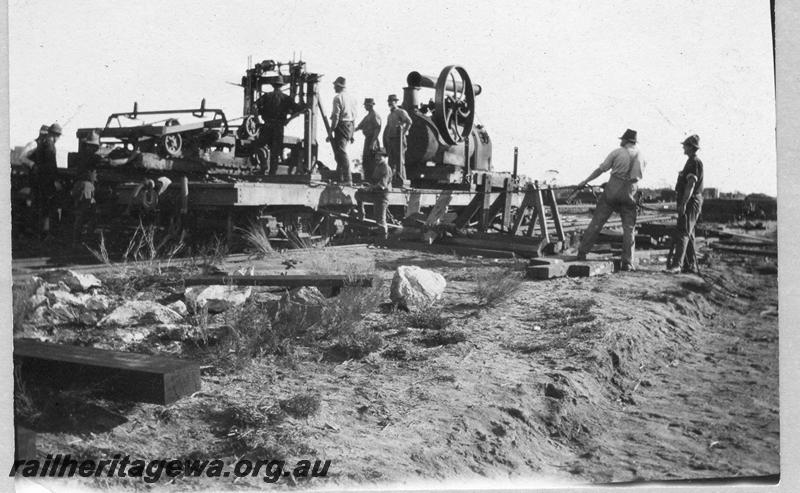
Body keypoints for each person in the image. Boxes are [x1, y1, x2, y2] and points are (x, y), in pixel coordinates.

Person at [575, 128, 645, 271]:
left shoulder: (617, 152)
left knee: (597, 222)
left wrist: (585, 181)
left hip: (612, 190)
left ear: (625, 140)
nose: (620, 142)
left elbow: (601, 169)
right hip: (630, 192)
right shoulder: (641, 156)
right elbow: (637, 177)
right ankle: (627, 262)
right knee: (629, 229)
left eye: (622, 139)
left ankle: (582, 252)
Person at [667, 134, 704, 274]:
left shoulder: (694, 162)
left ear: (691, 147)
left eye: (685, 146)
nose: (683, 148)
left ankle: (677, 265)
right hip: (691, 200)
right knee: (689, 233)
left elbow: (691, 185)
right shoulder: (691, 161)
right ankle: (690, 265)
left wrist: (684, 203)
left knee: (683, 232)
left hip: (691, 201)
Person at [254, 75, 305, 175]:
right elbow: (299, 110)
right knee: (275, 151)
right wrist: (288, 120)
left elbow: (254, 106)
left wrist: (257, 120)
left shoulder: (267, 96)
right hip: (279, 127)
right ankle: (272, 173)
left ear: (273, 85)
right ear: (281, 86)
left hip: (267, 125)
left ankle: (264, 165)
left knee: (258, 145)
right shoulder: (286, 98)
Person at [32, 123, 63, 239]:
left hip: (40, 179)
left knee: (43, 207)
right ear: (56, 135)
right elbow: (51, 165)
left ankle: (42, 234)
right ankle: (47, 234)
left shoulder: (42, 143)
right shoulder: (50, 145)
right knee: (49, 208)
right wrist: (56, 181)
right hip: (48, 181)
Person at [354, 148, 393, 235]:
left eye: (380, 156)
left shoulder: (385, 168)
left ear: (384, 157)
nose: (377, 157)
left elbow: (382, 185)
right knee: (358, 194)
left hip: (382, 196)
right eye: (376, 155)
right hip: (375, 194)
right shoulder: (378, 167)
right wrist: (367, 186)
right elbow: (374, 182)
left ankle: (384, 237)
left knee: (380, 220)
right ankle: (361, 214)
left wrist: (370, 188)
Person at [329, 76, 358, 185]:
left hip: (341, 126)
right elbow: (354, 117)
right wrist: (352, 133)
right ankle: (340, 177)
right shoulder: (352, 98)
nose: (333, 88)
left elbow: (336, 117)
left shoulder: (338, 98)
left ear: (339, 86)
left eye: (335, 86)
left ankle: (348, 179)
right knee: (339, 152)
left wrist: (330, 131)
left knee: (341, 152)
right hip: (349, 126)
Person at [382, 94, 412, 186]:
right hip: (391, 140)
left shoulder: (400, 112)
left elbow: (409, 122)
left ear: (395, 102)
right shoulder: (390, 115)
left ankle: (403, 181)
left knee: (400, 161)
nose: (390, 103)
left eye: (392, 101)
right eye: (389, 101)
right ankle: (390, 181)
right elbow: (388, 127)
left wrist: (403, 133)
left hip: (399, 140)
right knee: (391, 161)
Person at [70, 163, 98, 246]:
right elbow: (88, 199)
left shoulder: (78, 183)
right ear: (89, 173)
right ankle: (85, 242)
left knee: (78, 224)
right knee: (88, 224)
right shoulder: (88, 185)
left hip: (79, 206)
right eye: (95, 173)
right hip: (86, 208)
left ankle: (76, 241)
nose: (96, 175)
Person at [354, 98, 382, 181]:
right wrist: (351, 131)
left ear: (370, 105)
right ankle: (368, 179)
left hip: (372, 139)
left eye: (366, 105)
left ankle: (373, 180)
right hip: (368, 139)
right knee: (366, 160)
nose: (365, 107)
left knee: (372, 161)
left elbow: (377, 128)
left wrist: (373, 142)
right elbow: (359, 126)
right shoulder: (368, 116)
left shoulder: (374, 115)